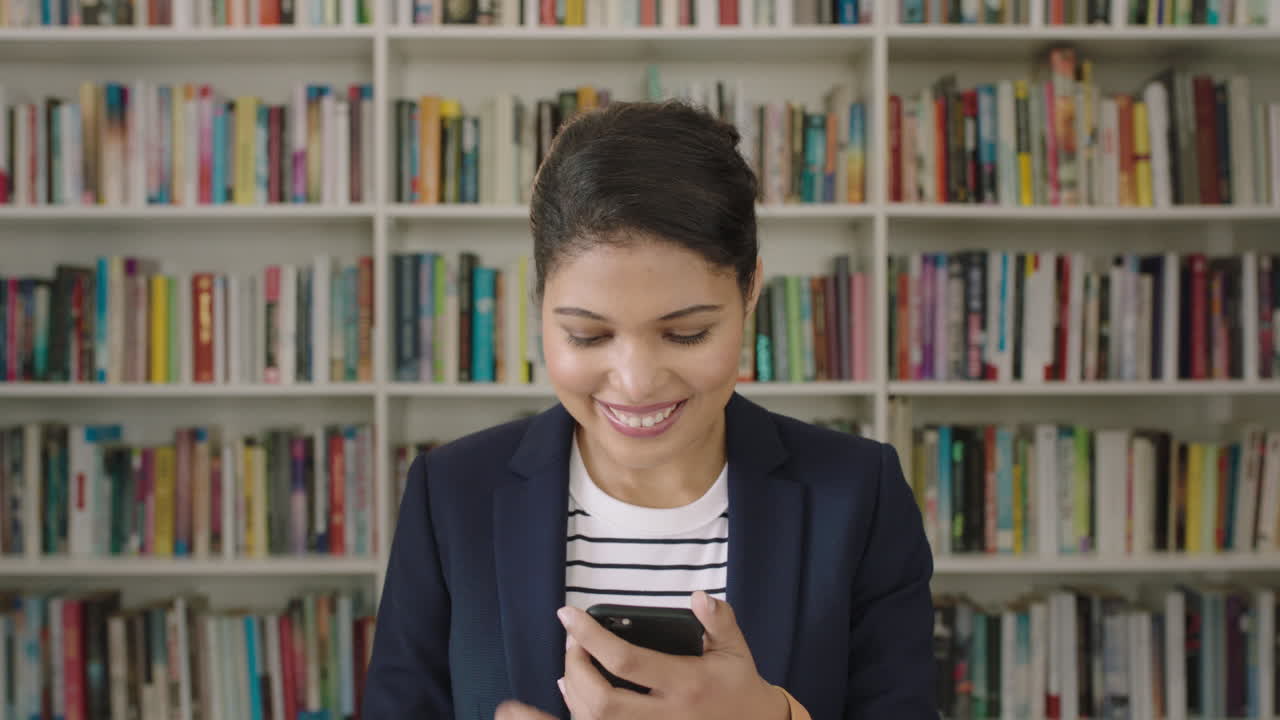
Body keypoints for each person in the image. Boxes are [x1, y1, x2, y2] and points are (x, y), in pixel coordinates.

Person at [360, 99, 936, 720]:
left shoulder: (858, 495)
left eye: (686, 333)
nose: (635, 384)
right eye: (588, 335)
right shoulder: (450, 494)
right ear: (540, 302)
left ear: (749, 291)